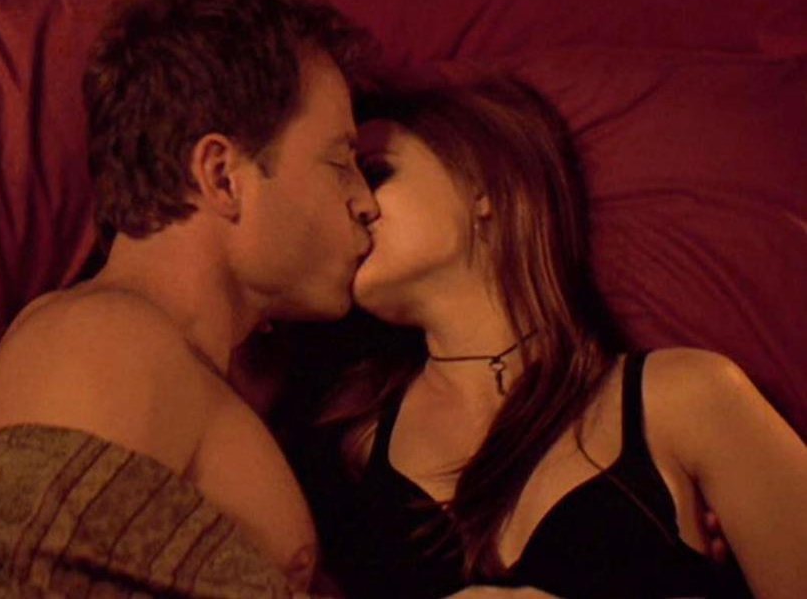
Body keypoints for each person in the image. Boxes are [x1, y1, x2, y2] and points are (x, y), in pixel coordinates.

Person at [0, 0, 379, 596]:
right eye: (340, 161)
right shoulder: (103, 339)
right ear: (222, 176)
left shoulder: (172, 358)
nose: (366, 202)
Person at [291, 75, 807, 598]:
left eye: (375, 173)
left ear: (485, 185)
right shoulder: (346, 442)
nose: (354, 205)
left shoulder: (689, 397)